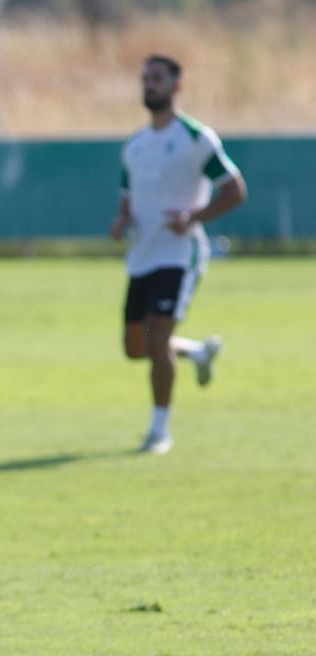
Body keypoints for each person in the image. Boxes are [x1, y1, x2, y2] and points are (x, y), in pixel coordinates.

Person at [109, 54, 246, 454]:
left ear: (176, 86)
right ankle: (198, 352)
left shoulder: (196, 138)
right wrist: (121, 222)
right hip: (142, 255)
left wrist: (194, 217)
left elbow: (235, 189)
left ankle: (159, 430)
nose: (149, 85)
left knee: (157, 338)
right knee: (137, 346)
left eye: (157, 78)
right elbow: (126, 201)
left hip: (179, 253)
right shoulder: (134, 147)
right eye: (145, 78)